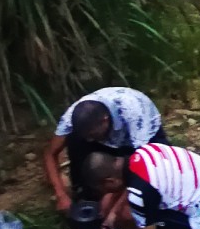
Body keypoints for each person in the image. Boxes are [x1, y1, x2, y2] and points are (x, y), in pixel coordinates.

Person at [43, 86, 166, 222]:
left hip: (140, 139)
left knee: (151, 178)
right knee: (76, 141)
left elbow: (145, 165)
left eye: (92, 135)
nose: (90, 140)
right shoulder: (71, 118)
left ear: (105, 120)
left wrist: (115, 209)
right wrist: (60, 194)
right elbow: (50, 153)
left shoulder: (135, 114)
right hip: (108, 138)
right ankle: (87, 195)